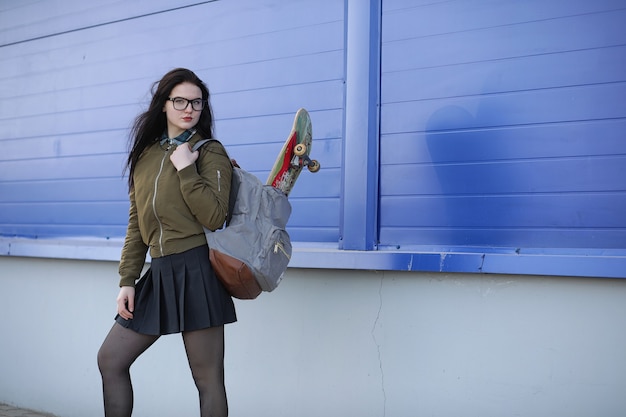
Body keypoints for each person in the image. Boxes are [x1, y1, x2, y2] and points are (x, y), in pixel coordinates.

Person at [97, 68, 236, 417]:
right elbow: (136, 223)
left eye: (197, 102)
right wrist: (127, 280)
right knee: (110, 359)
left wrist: (187, 170)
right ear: (164, 104)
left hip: (196, 269)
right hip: (158, 273)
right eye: (180, 101)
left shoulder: (209, 151)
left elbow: (215, 216)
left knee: (207, 379)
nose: (189, 108)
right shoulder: (145, 157)